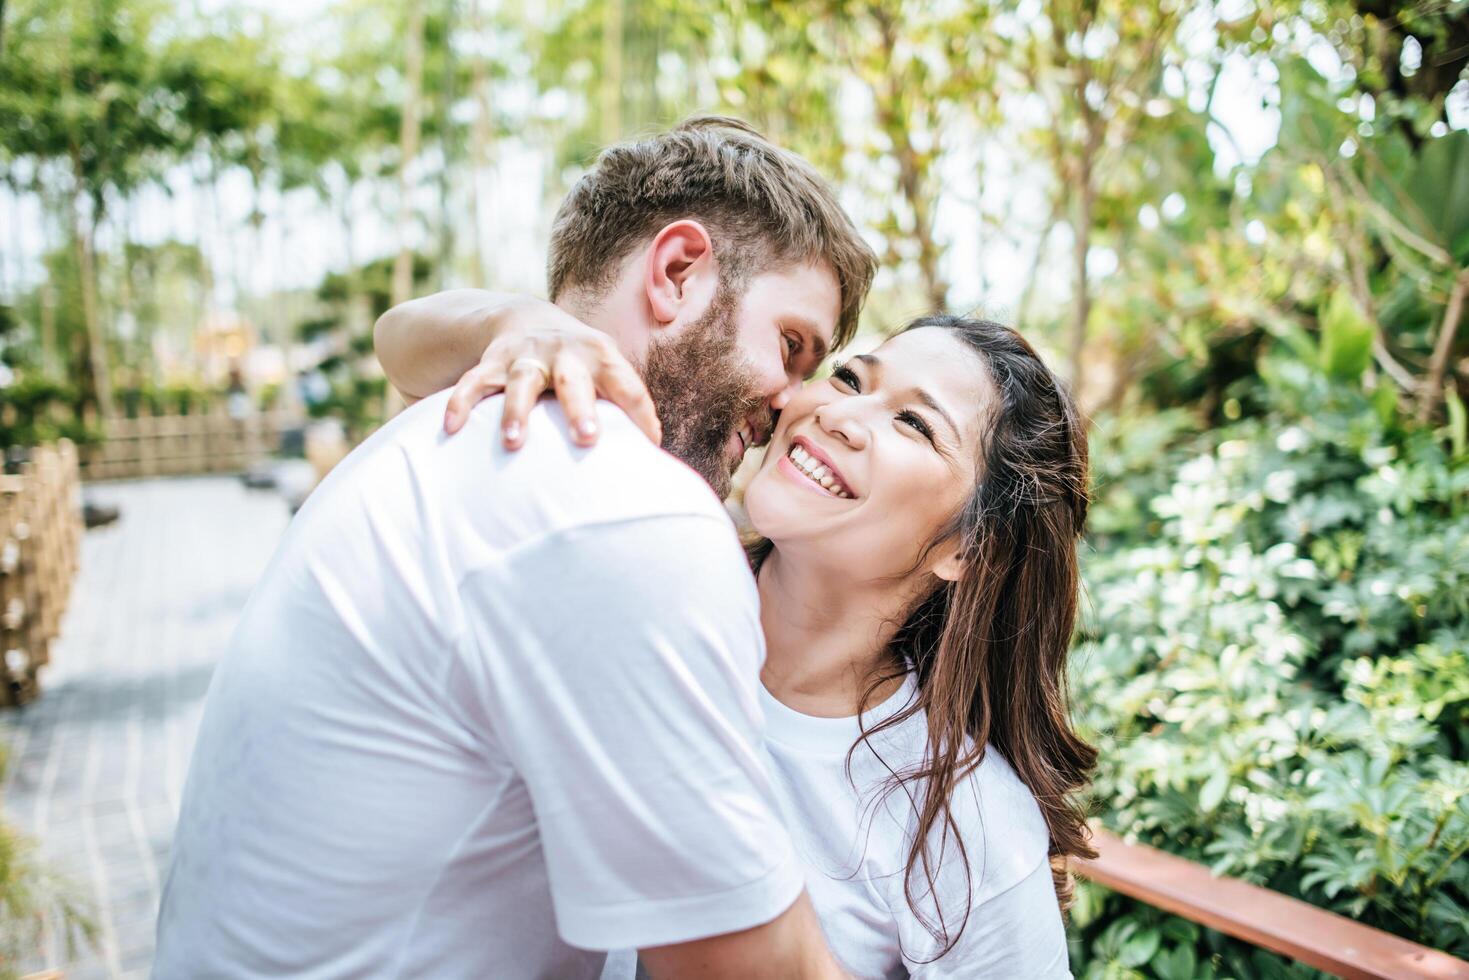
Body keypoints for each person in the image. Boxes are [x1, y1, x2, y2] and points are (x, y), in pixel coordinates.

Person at [154, 117, 878, 979]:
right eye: (792, 345)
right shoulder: (625, 506)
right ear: (677, 272)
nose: (790, 404)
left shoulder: (439, 427)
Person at [377, 306, 1098, 976]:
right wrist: (522, 319)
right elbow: (404, 344)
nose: (840, 414)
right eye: (849, 378)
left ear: (969, 551)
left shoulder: (964, 822)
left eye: (913, 424)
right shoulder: (644, 586)